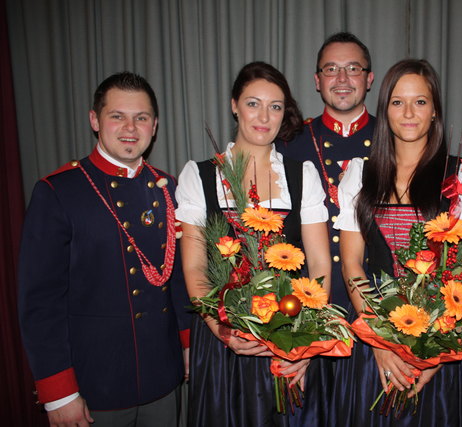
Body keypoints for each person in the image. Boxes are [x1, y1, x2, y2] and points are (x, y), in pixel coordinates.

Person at [18, 72, 191, 426]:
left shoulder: (169, 188)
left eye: (141, 117)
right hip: (95, 385)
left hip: (163, 374)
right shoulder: (59, 192)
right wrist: (58, 392)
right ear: (95, 120)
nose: (131, 127)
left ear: (154, 125)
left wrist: (189, 345)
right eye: (117, 116)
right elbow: (40, 302)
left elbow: (177, 281)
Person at [176, 61, 332, 426]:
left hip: (291, 335)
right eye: (253, 103)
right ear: (234, 105)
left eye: (275, 106)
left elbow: (321, 265)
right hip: (223, 345)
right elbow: (195, 267)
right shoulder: (199, 175)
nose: (264, 116)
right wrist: (222, 328)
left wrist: (306, 342)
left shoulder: (302, 175)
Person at [333, 59, 462, 426]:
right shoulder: (360, 173)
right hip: (376, 351)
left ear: (435, 111)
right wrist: (381, 341)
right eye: (397, 102)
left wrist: (432, 355)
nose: (409, 112)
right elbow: (353, 263)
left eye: (420, 101)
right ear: (384, 110)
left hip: (439, 352)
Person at [276, 31, 375, 310]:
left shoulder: (393, 142)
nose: (342, 79)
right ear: (317, 81)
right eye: (331, 69)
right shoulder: (290, 145)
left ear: (369, 79)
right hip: (307, 305)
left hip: (380, 303)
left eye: (353, 69)